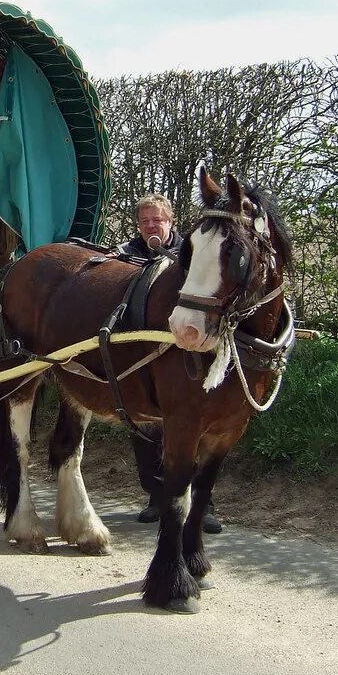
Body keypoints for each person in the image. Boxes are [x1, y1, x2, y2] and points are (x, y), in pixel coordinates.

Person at [120, 194, 222, 534]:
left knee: (196, 433)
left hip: (188, 357)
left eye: (157, 221)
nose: (151, 226)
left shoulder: (190, 254)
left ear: (170, 223)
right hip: (143, 356)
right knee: (147, 431)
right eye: (145, 221)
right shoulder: (126, 255)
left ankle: (203, 506)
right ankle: (156, 497)